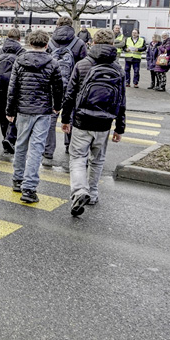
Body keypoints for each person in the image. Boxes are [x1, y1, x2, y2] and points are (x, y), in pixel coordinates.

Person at [61, 28, 126, 217]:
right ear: (112, 44)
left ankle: (80, 190)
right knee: (97, 160)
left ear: (93, 43)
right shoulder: (118, 69)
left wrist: (65, 119)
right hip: (104, 123)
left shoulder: (82, 65)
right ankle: (93, 193)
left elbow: (70, 95)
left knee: (77, 158)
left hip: (82, 120)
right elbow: (121, 101)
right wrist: (119, 127)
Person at [5, 30, 63, 204]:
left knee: (21, 144)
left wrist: (9, 111)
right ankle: (29, 188)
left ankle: (17, 179)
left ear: (30, 43)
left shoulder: (19, 61)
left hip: (23, 109)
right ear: (47, 44)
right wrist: (57, 106)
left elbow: (13, 88)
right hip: (43, 110)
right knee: (37, 149)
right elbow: (58, 88)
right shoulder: (52, 63)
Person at [42, 31, 75, 165]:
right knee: (70, 117)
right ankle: (69, 145)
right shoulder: (78, 43)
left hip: (53, 88)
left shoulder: (50, 44)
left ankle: (48, 150)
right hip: (70, 88)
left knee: (52, 118)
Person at [0, 28, 23, 154]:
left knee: (3, 112)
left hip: (1, 87)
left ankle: (5, 138)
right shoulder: (22, 52)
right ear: (19, 39)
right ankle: (10, 138)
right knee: (15, 112)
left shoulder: (0, 50)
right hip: (16, 88)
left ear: (7, 37)